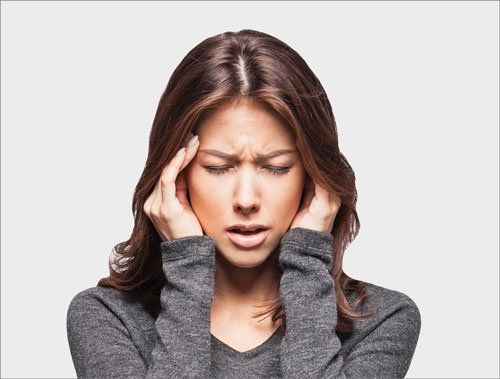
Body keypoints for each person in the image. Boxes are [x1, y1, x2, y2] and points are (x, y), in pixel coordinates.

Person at [66, 29, 421, 378]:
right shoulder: (107, 318)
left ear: (314, 178)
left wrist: (308, 259)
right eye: (218, 167)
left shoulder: (383, 320)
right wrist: (188, 265)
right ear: (175, 174)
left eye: (277, 167)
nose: (247, 199)